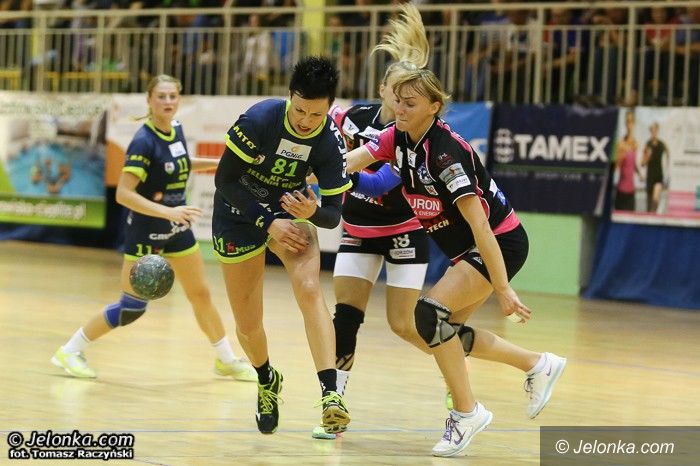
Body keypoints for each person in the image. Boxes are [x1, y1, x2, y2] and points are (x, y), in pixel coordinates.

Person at [345, 69, 566, 457]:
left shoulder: (446, 155)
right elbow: (350, 163)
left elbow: (481, 226)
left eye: (410, 103)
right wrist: (311, 172)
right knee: (448, 333)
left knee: (428, 316)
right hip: (470, 250)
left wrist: (502, 288)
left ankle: (467, 413)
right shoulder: (397, 137)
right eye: (398, 101)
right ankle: (538, 364)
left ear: (434, 107)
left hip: (499, 243)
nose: (399, 109)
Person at [51, 74, 256, 383]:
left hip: (177, 227)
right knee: (132, 307)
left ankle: (226, 360)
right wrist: (169, 211)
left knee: (200, 294)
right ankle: (70, 350)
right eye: (161, 96)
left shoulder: (176, 129)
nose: (168, 102)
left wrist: (223, 163)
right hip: (146, 230)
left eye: (173, 96)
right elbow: (124, 194)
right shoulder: (143, 141)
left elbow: (182, 162)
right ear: (149, 100)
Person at [311, 3, 433, 441]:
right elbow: (319, 142)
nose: (400, 102)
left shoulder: (410, 136)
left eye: (408, 96)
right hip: (360, 232)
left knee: (406, 325)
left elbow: (381, 183)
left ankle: (455, 364)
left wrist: (338, 173)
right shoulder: (351, 118)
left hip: (405, 231)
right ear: (382, 89)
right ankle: (334, 406)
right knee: (346, 317)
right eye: (394, 93)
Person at [212, 56, 353, 436]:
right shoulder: (259, 119)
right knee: (248, 325)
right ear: (290, 96)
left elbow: (333, 216)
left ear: (329, 108)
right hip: (239, 213)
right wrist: (266, 221)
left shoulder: (330, 141)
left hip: (290, 211)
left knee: (309, 289)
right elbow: (225, 181)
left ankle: (330, 394)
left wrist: (313, 211)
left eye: (316, 114)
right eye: (300, 110)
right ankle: (266, 378)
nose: (306, 120)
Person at [614, 110, 642, 211]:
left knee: (631, 218)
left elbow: (633, 164)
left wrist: (640, 174)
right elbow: (616, 166)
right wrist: (622, 155)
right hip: (621, 190)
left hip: (631, 191)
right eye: (628, 121)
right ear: (625, 124)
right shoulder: (621, 143)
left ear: (634, 124)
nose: (630, 125)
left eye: (632, 121)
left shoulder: (636, 144)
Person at [641, 122, 669, 213]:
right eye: (652, 130)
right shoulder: (647, 144)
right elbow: (642, 163)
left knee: (655, 201)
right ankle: (649, 218)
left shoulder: (662, 144)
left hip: (658, 176)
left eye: (655, 130)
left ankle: (653, 215)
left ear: (657, 131)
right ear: (650, 131)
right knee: (648, 207)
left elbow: (668, 155)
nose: (654, 132)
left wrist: (667, 168)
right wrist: (647, 157)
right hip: (650, 177)